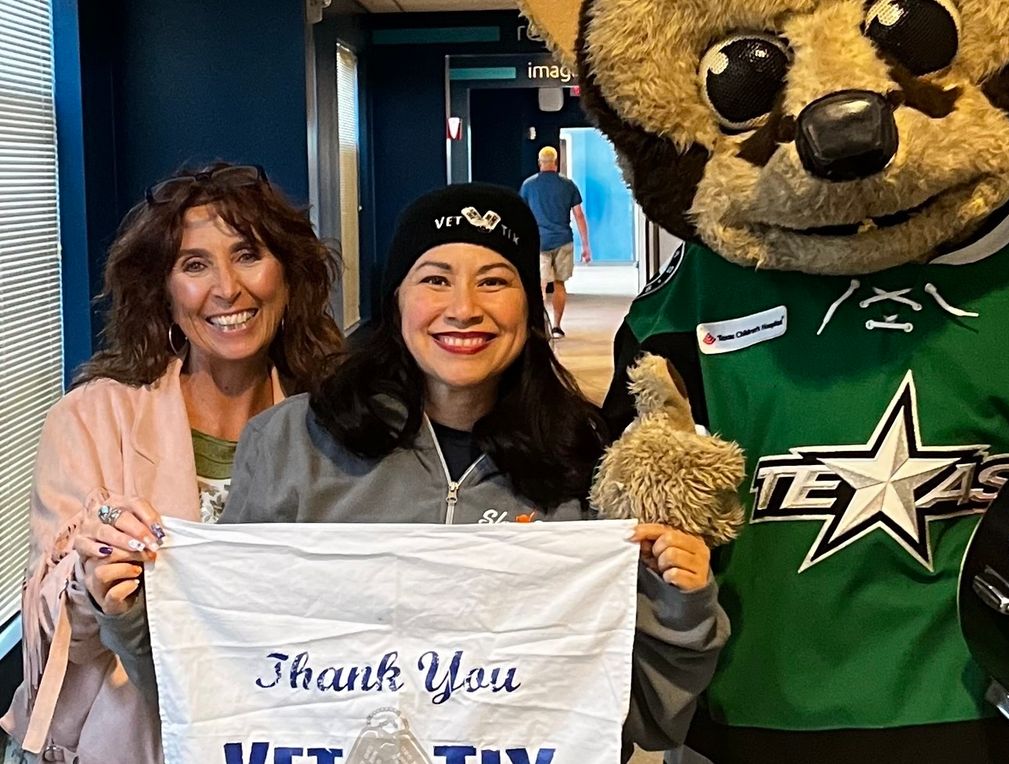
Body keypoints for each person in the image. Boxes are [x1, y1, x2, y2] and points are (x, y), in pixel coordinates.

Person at [91, 183, 728, 762]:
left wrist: (682, 604)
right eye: (435, 278)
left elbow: (646, 718)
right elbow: (222, 687)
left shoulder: (589, 459)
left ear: (530, 309)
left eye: (495, 281)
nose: (464, 308)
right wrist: (132, 613)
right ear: (396, 299)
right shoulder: (291, 443)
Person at [0, 163, 344, 763]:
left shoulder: (342, 423)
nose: (227, 288)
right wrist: (91, 584)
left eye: (248, 254)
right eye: (194, 265)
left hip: (289, 734)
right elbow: (47, 633)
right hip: (128, 741)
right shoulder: (91, 418)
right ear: (163, 288)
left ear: (288, 277)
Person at [519, 146, 591, 338]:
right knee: (560, 284)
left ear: (539, 162)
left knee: (540, 285)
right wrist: (585, 245)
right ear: (556, 162)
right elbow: (579, 215)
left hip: (539, 241)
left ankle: (542, 326)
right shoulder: (568, 185)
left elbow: (522, 215)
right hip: (563, 240)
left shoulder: (528, 186)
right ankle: (557, 326)